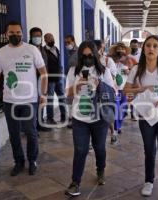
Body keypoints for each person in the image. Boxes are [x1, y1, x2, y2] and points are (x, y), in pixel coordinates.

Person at [0, 21, 48, 176]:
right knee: (14, 135)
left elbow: (44, 73)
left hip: (29, 100)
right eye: (12, 32)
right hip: (9, 101)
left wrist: (43, 94)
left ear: (22, 33)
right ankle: (18, 161)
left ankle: (32, 160)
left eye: (18, 32)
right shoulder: (0, 53)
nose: (15, 35)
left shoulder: (32, 50)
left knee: (30, 132)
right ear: (6, 34)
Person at [124, 35, 158, 200]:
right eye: (148, 45)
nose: (151, 49)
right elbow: (126, 90)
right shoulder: (136, 69)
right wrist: (140, 90)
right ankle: (149, 181)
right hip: (146, 116)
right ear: (143, 48)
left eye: (155, 46)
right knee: (149, 151)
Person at [64, 41, 114, 197]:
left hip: (99, 118)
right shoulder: (73, 71)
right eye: (84, 56)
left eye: (90, 55)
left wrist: (99, 85)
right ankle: (75, 182)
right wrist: (76, 87)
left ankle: (100, 169)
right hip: (79, 118)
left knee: (99, 148)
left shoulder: (104, 71)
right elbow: (67, 94)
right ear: (80, 56)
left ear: (96, 54)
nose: (87, 58)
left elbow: (112, 92)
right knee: (80, 150)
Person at [109, 42, 135, 144]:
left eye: (122, 50)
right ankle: (116, 127)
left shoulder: (127, 61)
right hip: (114, 90)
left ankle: (119, 123)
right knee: (116, 108)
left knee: (123, 109)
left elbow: (133, 71)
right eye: (118, 50)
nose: (120, 51)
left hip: (124, 89)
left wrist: (129, 70)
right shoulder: (110, 61)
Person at [29, 27, 51, 132]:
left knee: (42, 100)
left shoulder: (42, 49)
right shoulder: (28, 49)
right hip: (32, 79)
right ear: (31, 37)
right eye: (35, 36)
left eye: (39, 36)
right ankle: (32, 125)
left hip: (42, 78)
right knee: (33, 102)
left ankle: (40, 122)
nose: (37, 38)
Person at [44, 33, 67, 124]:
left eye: (52, 38)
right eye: (49, 38)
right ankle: (50, 119)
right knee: (50, 100)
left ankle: (64, 117)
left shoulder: (56, 49)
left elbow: (58, 62)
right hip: (49, 79)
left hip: (59, 78)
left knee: (62, 97)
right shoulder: (44, 51)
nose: (52, 40)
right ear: (45, 40)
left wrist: (61, 70)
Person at [65, 35, 78, 129]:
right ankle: (70, 117)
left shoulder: (79, 52)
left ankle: (74, 119)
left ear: (73, 41)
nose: (67, 44)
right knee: (69, 98)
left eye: (68, 42)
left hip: (76, 78)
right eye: (65, 43)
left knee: (74, 98)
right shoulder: (68, 52)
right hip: (69, 77)